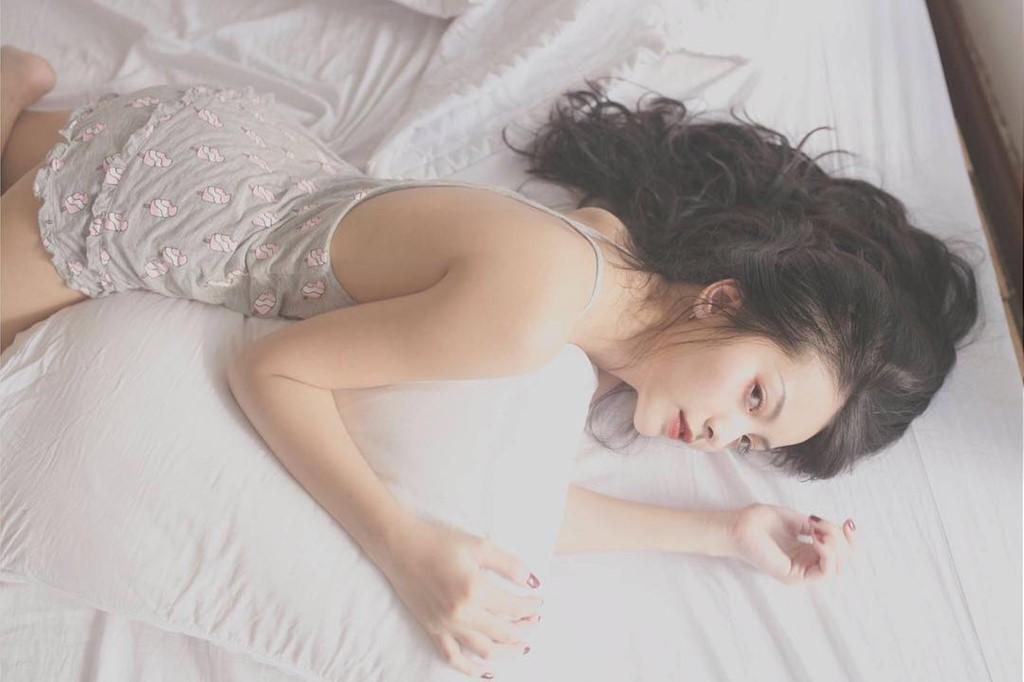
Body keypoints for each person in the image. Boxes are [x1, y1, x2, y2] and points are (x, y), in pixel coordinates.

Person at [0, 46, 980, 679]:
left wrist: (726, 532)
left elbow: (517, 495)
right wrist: (403, 546)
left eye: (751, 441)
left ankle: (18, 90)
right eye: (755, 394)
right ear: (723, 300)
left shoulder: (604, 270)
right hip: (157, 207)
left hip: (237, 147)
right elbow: (275, 373)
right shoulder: (532, 314)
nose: (722, 433)